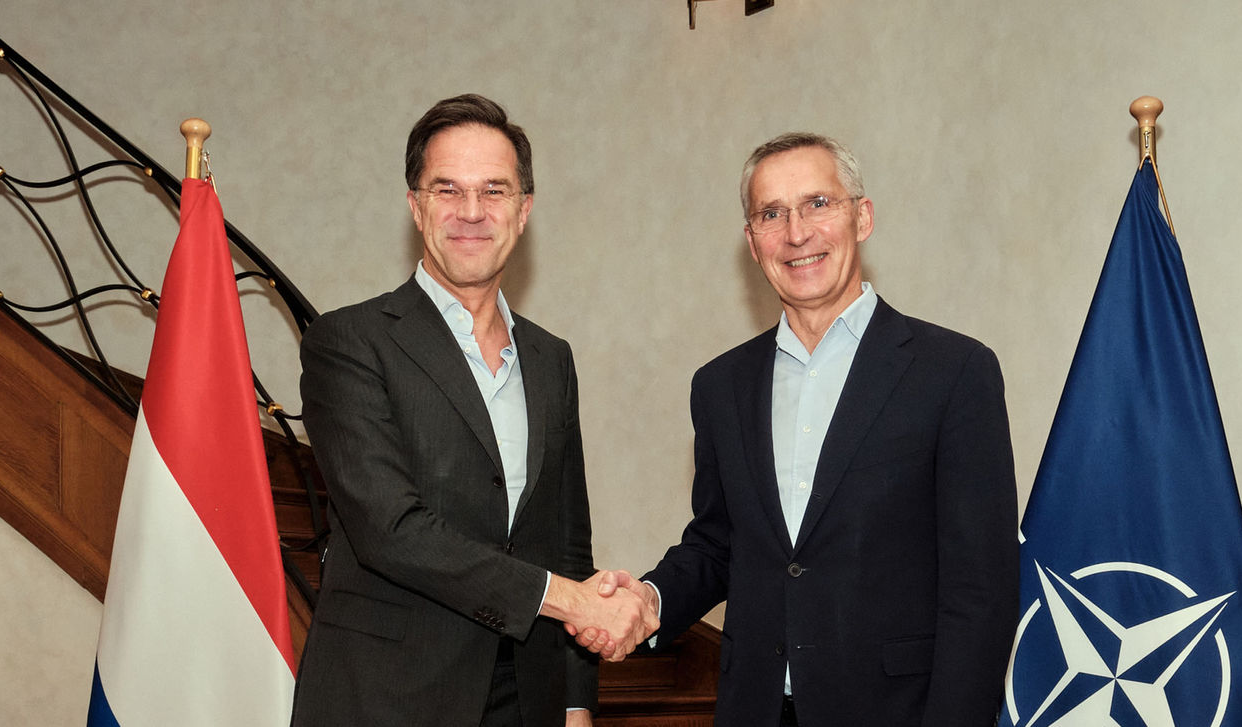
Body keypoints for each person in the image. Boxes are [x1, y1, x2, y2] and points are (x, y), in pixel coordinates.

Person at [579, 132, 1018, 726]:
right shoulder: (720, 386)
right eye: (771, 213)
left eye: (818, 203)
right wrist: (649, 601)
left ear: (861, 217)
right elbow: (717, 543)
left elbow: (981, 592)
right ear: (751, 241)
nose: (796, 232)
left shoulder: (954, 372)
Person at [291, 94, 657, 727]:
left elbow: (567, 539)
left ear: (523, 211)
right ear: (415, 206)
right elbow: (391, 531)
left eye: (494, 190)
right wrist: (570, 601)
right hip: (388, 698)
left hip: (530, 698)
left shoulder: (551, 358)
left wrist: (575, 702)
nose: (470, 212)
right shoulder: (348, 343)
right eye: (446, 190)